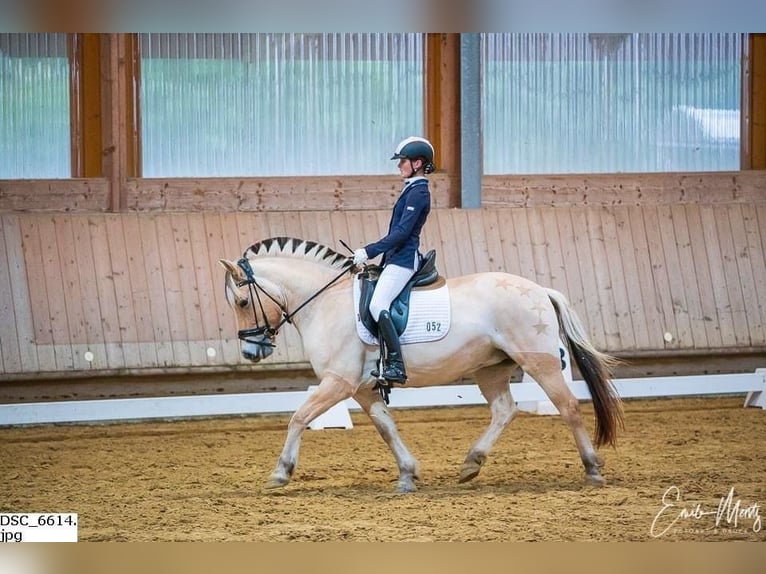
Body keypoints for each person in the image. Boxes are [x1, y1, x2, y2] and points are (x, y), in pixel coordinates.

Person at [353, 136, 435, 383]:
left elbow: (401, 234)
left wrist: (368, 251)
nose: (399, 166)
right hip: (394, 259)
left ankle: (396, 365)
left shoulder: (419, 193)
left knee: (378, 305)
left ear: (417, 163)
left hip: (403, 260)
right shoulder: (410, 189)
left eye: (403, 162)